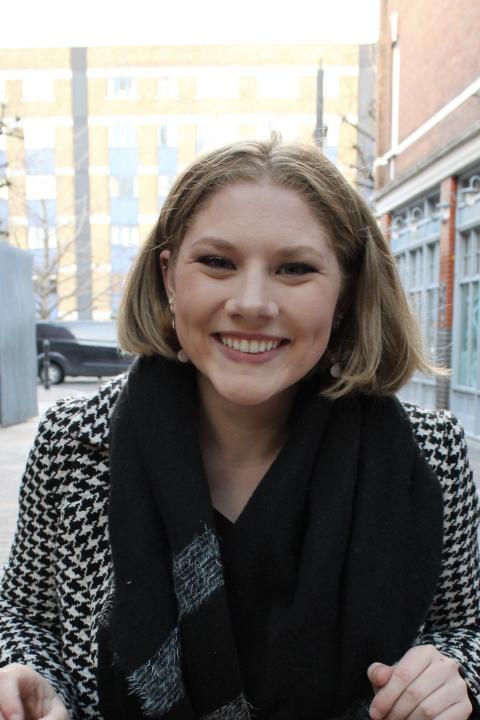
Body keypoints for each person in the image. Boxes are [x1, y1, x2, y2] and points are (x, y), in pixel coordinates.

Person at [0, 137, 479, 720]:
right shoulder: (71, 446)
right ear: (170, 275)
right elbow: (25, 619)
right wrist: (26, 673)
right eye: (218, 262)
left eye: (295, 269)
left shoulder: (429, 455)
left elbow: (465, 626)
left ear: (347, 291)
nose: (252, 302)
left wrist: (459, 677)